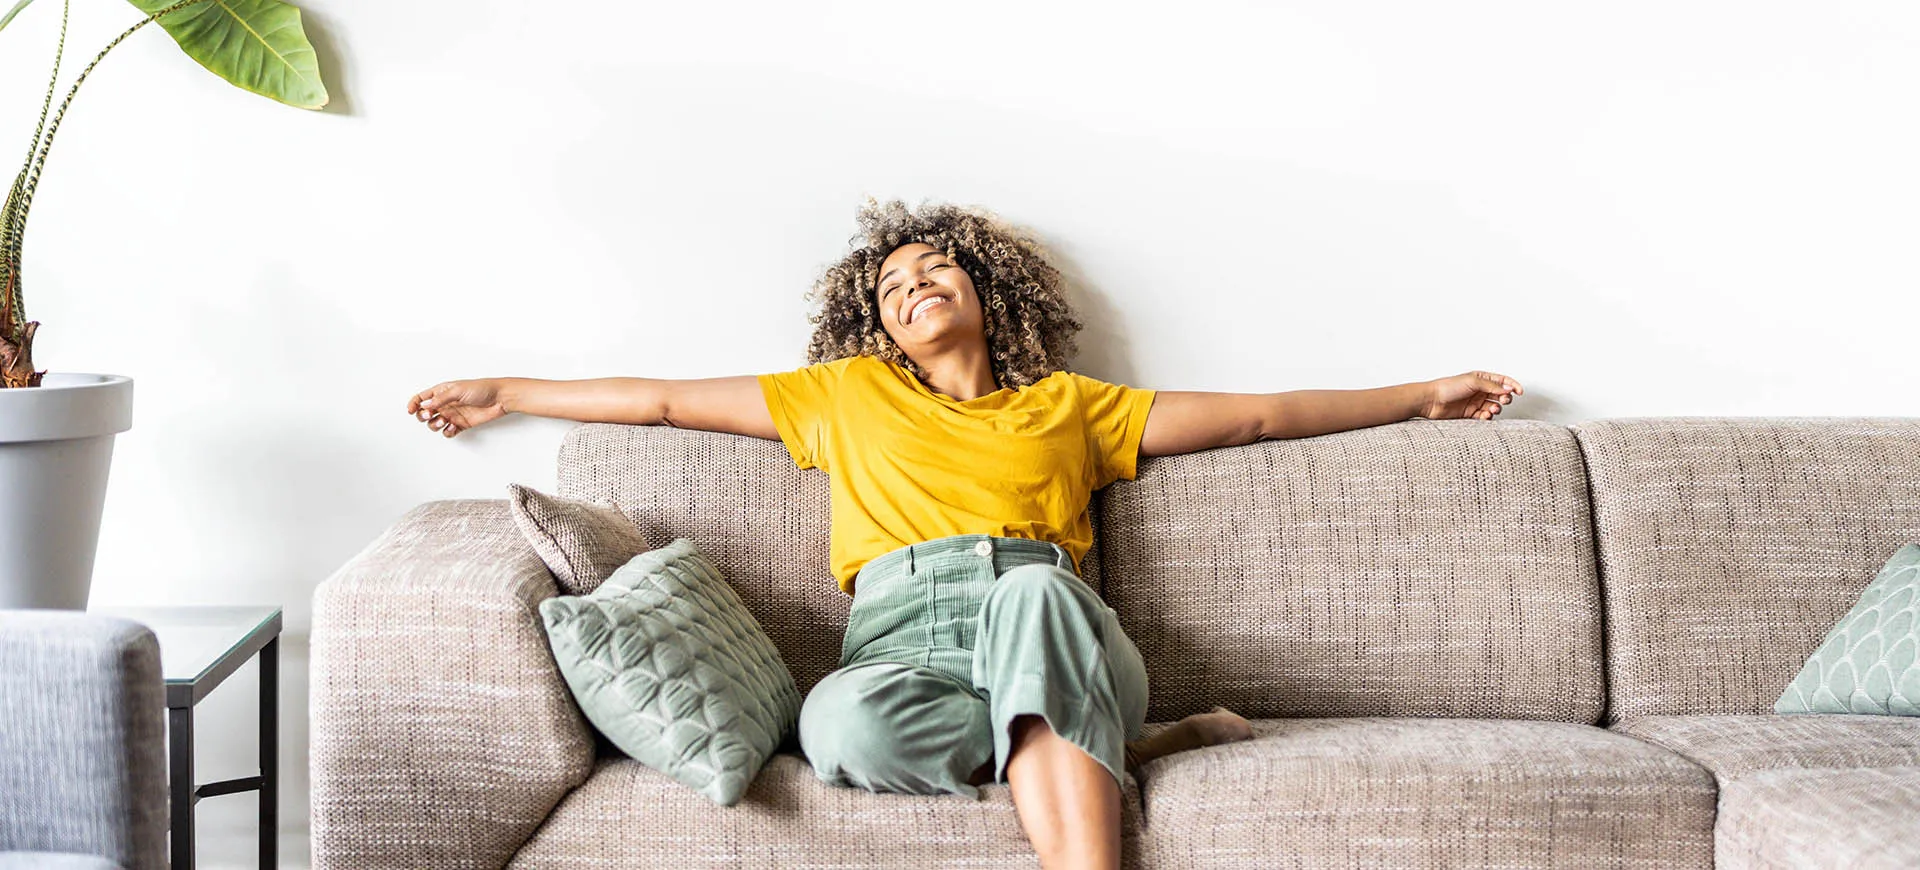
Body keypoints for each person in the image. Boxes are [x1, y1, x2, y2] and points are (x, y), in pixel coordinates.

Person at [405, 199, 1523, 870]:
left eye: (935, 267)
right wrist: (508, 389)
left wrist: (1420, 394)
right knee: (835, 726)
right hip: (896, 645)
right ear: (873, 325)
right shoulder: (840, 396)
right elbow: (657, 399)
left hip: (1042, 613)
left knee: (1034, 597)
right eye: (892, 286)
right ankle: (1138, 748)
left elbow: (1262, 417)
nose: (915, 285)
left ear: (990, 292)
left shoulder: (1071, 407)